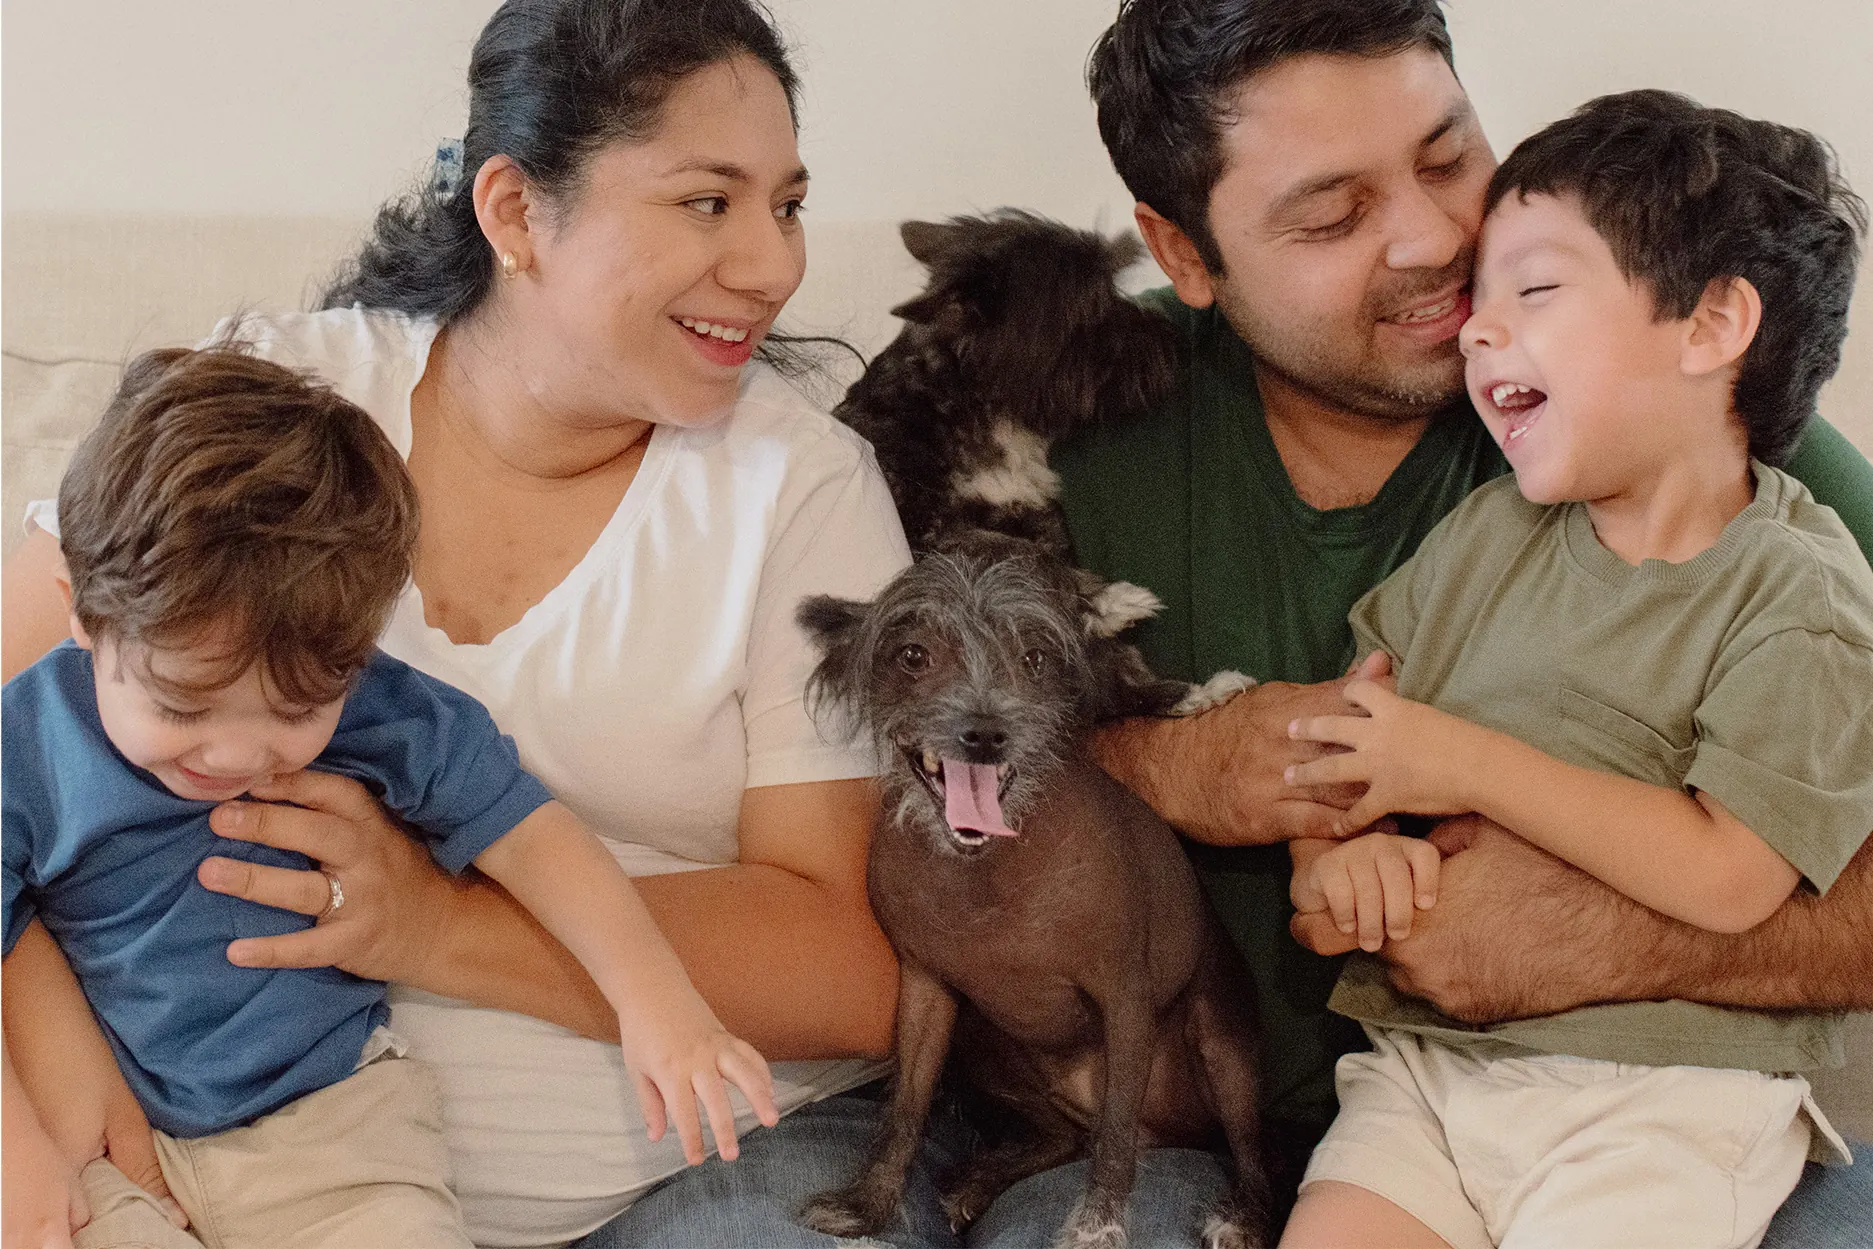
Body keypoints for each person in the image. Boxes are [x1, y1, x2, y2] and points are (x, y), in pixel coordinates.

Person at [0, 2, 910, 1246]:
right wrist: (50, 1060)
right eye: (708, 203)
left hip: (677, 1178)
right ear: (516, 211)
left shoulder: (804, 491)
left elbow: (847, 969)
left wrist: (433, 921)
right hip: (164, 1144)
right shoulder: (273, 404)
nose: (773, 265)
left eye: (788, 206)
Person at [1050, 1, 1873, 1244]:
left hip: (1673, 1104)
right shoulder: (1046, 421)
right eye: (1332, 213)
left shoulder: (1714, 446)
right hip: (1278, 1123)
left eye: (1447, 158)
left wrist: (1601, 939)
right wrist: (1167, 762)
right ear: (1184, 252)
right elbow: (875, 764)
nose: (1437, 241)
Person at [3, 345, 781, 1249]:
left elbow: (532, 834)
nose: (238, 750)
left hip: (337, 1129)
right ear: (83, 614)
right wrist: (15, 1146)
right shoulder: (26, 740)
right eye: (183, 703)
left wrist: (658, 1003)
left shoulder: (376, 706)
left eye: (296, 709)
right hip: (100, 1146)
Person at [1272, 90, 1870, 1249]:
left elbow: (1728, 882)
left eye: (1533, 291)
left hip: (1659, 1101)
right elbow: (1350, 741)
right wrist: (1329, 866)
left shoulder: (1799, 600)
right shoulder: (1488, 538)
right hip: (1428, 1077)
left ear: (1710, 327)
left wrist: (1462, 762)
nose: (1475, 331)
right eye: (1479, 299)